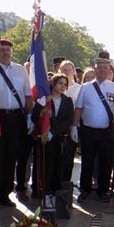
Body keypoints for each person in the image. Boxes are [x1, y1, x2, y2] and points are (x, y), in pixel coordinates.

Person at [0, 39, 33, 208]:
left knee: (11, 157)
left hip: (16, 118)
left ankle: (6, 195)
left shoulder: (20, 70)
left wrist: (29, 116)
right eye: (1, 50)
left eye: (7, 50)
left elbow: (28, 95)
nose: (5, 52)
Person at [72, 55, 114, 203]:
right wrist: (74, 126)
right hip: (88, 130)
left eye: (105, 68)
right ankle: (85, 190)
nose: (102, 70)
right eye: (99, 68)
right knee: (87, 161)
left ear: (109, 69)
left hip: (107, 131)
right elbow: (78, 108)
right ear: (95, 69)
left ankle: (102, 191)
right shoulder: (85, 87)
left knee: (106, 162)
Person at [31, 74, 74, 207]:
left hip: (60, 139)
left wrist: (53, 132)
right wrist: (40, 104)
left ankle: (56, 191)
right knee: (46, 165)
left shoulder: (68, 101)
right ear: (53, 84)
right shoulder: (45, 99)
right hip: (45, 140)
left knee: (59, 166)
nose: (62, 86)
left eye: (65, 84)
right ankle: (45, 190)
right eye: (60, 83)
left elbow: (68, 120)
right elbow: (34, 117)